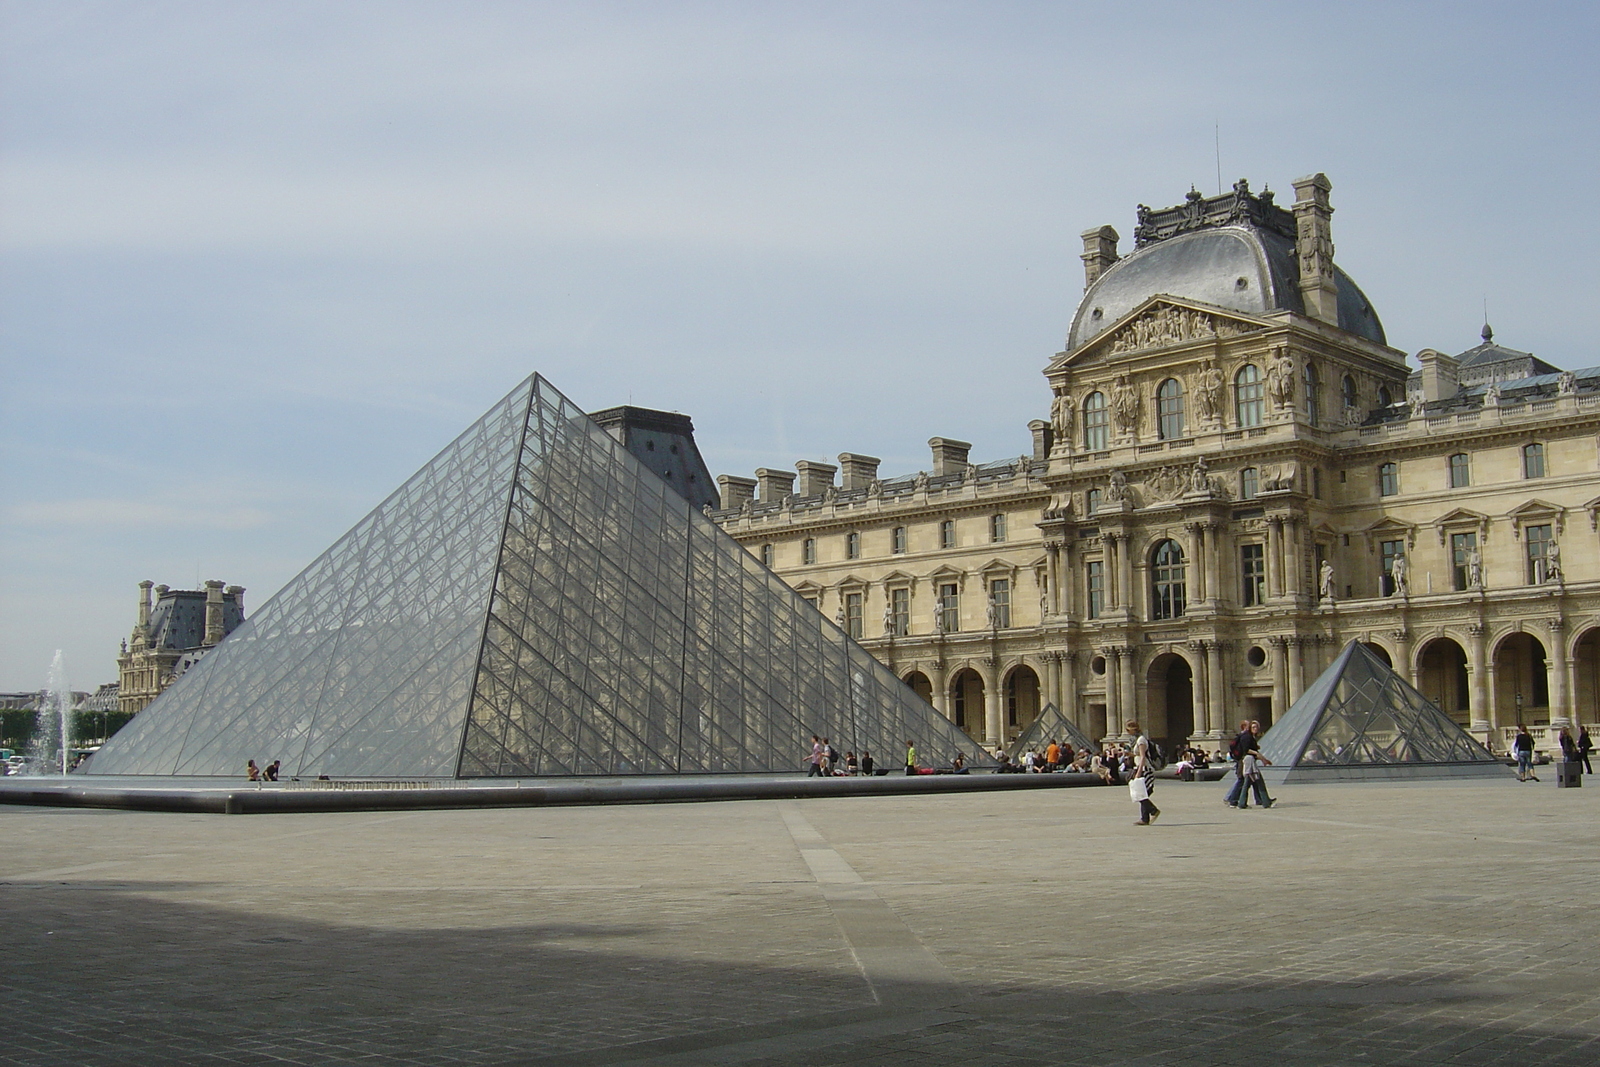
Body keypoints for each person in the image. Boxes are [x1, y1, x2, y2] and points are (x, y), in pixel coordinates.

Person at [1126, 721, 1160, 825]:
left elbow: (1143, 756)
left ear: (1134, 729)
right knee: (1141, 793)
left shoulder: (1141, 740)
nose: (1127, 732)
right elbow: (1138, 755)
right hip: (1140, 767)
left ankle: (1153, 811)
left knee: (1141, 793)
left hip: (1145, 769)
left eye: (1128, 730)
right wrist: (1131, 755)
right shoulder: (1137, 740)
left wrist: (1139, 771)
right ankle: (1144, 819)